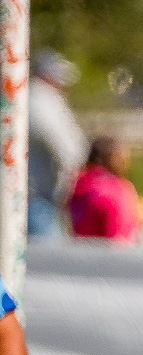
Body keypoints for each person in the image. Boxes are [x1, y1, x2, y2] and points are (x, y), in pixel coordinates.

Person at [28, 51, 87, 241]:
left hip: (40, 198)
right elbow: (69, 152)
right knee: (44, 261)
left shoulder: (39, 98)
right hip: (39, 201)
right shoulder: (40, 101)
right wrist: (70, 188)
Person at [67, 137, 143, 243]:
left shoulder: (77, 186)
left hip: (79, 254)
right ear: (115, 158)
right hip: (111, 255)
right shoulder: (116, 189)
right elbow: (120, 236)